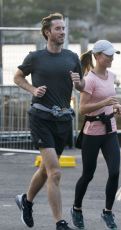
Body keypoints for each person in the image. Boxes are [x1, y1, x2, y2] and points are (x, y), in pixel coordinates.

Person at [14, 12, 84, 230]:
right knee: (55, 172)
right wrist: (33, 89)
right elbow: (17, 77)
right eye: (58, 29)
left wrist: (78, 82)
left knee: (45, 170)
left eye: (64, 28)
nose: (62, 32)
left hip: (63, 120)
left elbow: (81, 86)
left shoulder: (72, 57)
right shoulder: (35, 58)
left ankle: (26, 201)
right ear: (47, 32)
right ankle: (60, 222)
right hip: (40, 117)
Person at [71, 40, 121, 229]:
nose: (111, 58)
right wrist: (104, 103)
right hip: (92, 133)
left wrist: (117, 106)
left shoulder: (112, 75)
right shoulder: (90, 79)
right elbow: (83, 109)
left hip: (110, 129)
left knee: (115, 171)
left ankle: (108, 212)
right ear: (97, 56)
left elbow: (110, 100)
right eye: (108, 55)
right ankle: (76, 209)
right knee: (88, 174)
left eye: (113, 55)